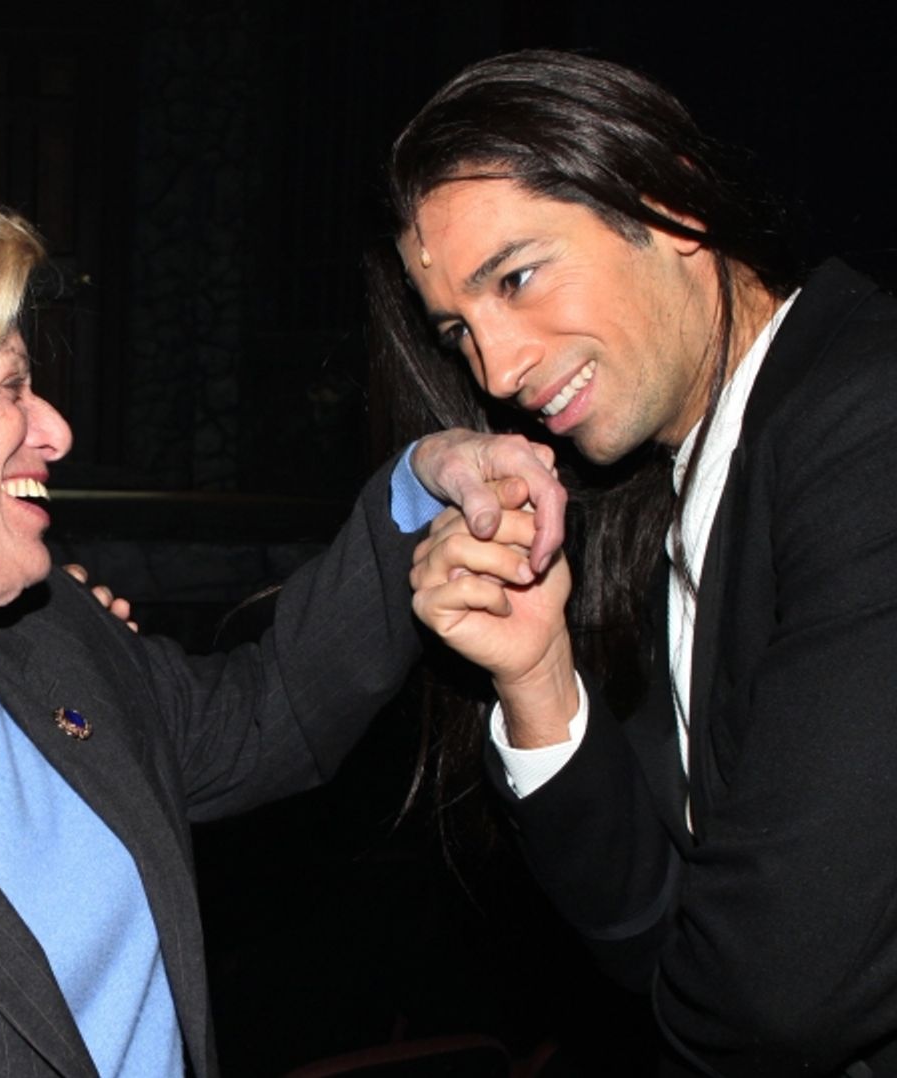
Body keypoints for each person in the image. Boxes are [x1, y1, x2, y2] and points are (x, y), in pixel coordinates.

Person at [0, 175, 563, 1077]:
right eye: (13, 386)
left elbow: (265, 716)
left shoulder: (47, 631)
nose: (58, 431)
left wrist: (427, 478)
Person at [375, 49, 897, 1077]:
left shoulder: (864, 423)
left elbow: (778, 995)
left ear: (669, 203)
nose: (497, 370)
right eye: (458, 332)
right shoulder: (693, 485)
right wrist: (535, 677)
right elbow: (659, 930)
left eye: (518, 277)